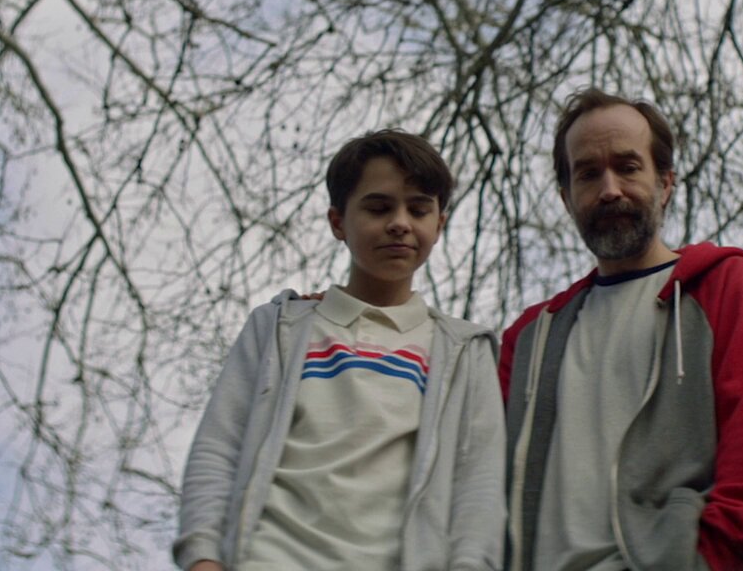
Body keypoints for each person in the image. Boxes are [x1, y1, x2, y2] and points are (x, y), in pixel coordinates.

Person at [500, 88, 743, 571]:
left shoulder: (723, 285)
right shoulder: (527, 340)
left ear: (665, 183)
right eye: (588, 174)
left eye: (628, 167)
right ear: (566, 198)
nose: (610, 189)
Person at [174, 130, 504, 571]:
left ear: (439, 225)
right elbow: (219, 447)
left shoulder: (463, 351)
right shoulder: (279, 329)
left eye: (418, 209)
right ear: (337, 222)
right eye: (378, 208)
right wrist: (203, 556)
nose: (400, 223)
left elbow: (479, 486)